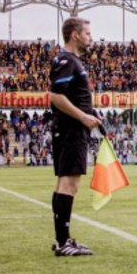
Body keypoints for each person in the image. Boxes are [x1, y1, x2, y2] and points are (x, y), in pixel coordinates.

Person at [49, 17, 101, 256]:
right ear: (74, 34)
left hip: (69, 128)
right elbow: (55, 96)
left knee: (63, 183)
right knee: (70, 183)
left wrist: (92, 113)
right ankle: (63, 243)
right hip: (72, 129)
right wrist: (82, 117)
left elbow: (69, 96)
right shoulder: (68, 60)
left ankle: (62, 239)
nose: (91, 37)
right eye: (87, 33)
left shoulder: (69, 60)